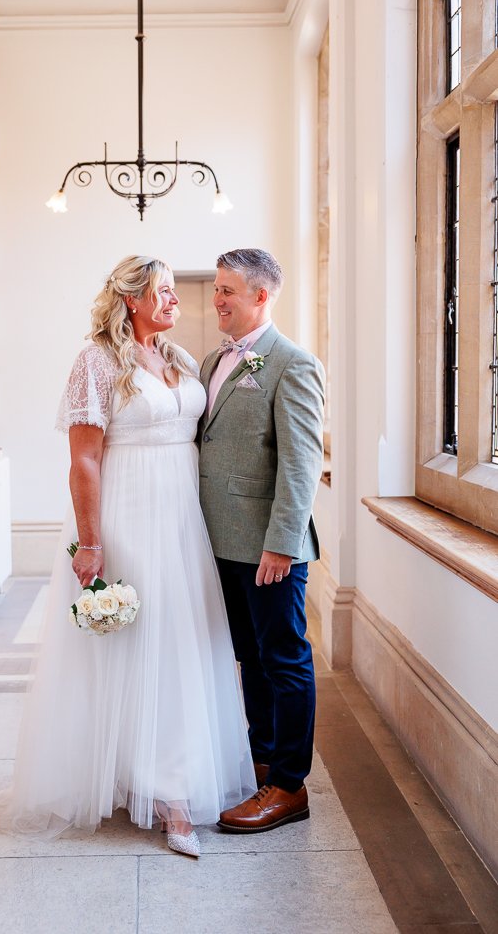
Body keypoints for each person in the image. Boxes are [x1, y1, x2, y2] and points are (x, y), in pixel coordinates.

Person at [0, 255, 255, 858]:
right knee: (141, 644)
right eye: (162, 292)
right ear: (130, 299)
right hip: (128, 515)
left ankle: (175, 774)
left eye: (172, 293)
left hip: (185, 521)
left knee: (186, 643)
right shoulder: (97, 361)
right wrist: (91, 540)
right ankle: (164, 793)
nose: (174, 302)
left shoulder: (181, 360)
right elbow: (84, 458)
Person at [198, 248, 324, 834]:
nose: (217, 298)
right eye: (217, 288)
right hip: (224, 543)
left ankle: (289, 786)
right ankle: (263, 760)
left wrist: (281, 545)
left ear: (261, 297)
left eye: (228, 290)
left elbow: (301, 466)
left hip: (270, 548)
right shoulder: (212, 361)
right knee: (250, 658)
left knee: (285, 659)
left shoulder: (291, 364)